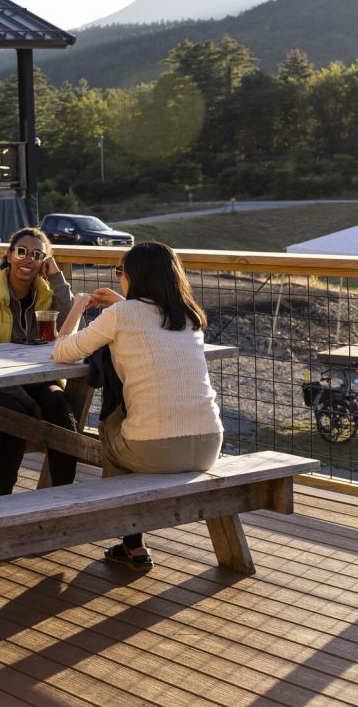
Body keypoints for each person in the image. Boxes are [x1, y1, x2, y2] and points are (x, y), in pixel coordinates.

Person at [54, 241, 224, 572]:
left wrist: (77, 307)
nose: (119, 278)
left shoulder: (119, 315)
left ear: (135, 277)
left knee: (111, 430)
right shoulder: (188, 316)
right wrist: (119, 306)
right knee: (129, 428)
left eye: (121, 272)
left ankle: (132, 544)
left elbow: (62, 351)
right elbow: (148, 322)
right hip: (209, 445)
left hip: (155, 451)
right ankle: (132, 546)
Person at [0, 227, 81, 497]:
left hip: (41, 379)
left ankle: (64, 495)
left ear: (43, 262)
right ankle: (3, 494)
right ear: (8, 255)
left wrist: (57, 279)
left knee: (60, 407)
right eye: (21, 252)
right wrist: (28, 402)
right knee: (13, 410)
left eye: (36, 255)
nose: (27, 259)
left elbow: (77, 330)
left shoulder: (50, 295)